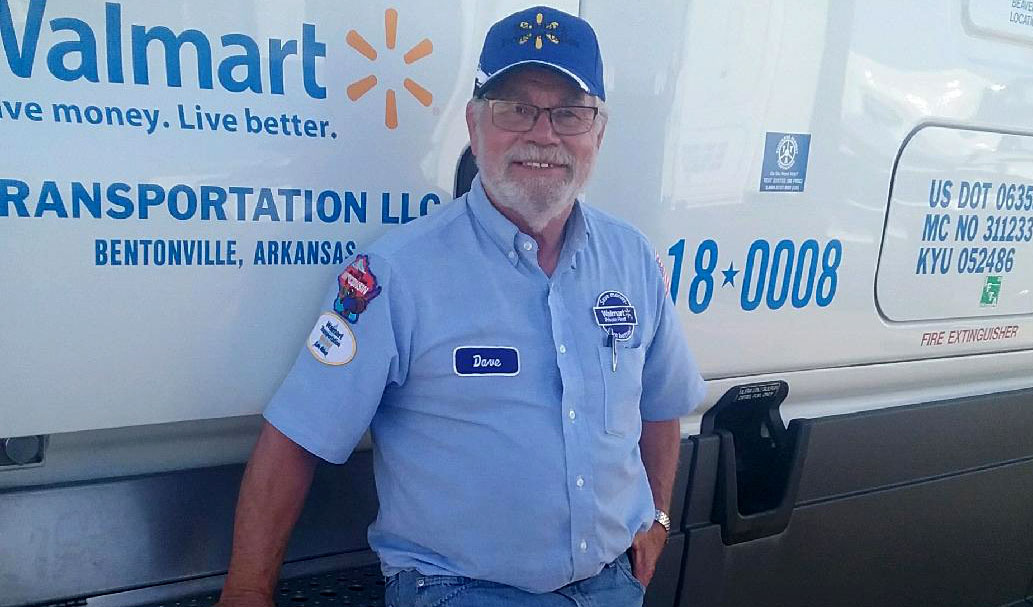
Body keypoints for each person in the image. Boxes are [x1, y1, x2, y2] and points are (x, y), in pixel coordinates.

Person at [217, 6, 704, 607]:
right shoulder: (396, 274)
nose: (543, 133)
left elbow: (660, 404)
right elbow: (296, 435)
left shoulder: (631, 259)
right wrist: (246, 589)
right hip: (460, 590)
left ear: (598, 132)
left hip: (610, 587)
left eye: (569, 113)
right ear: (475, 126)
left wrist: (656, 518)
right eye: (516, 108)